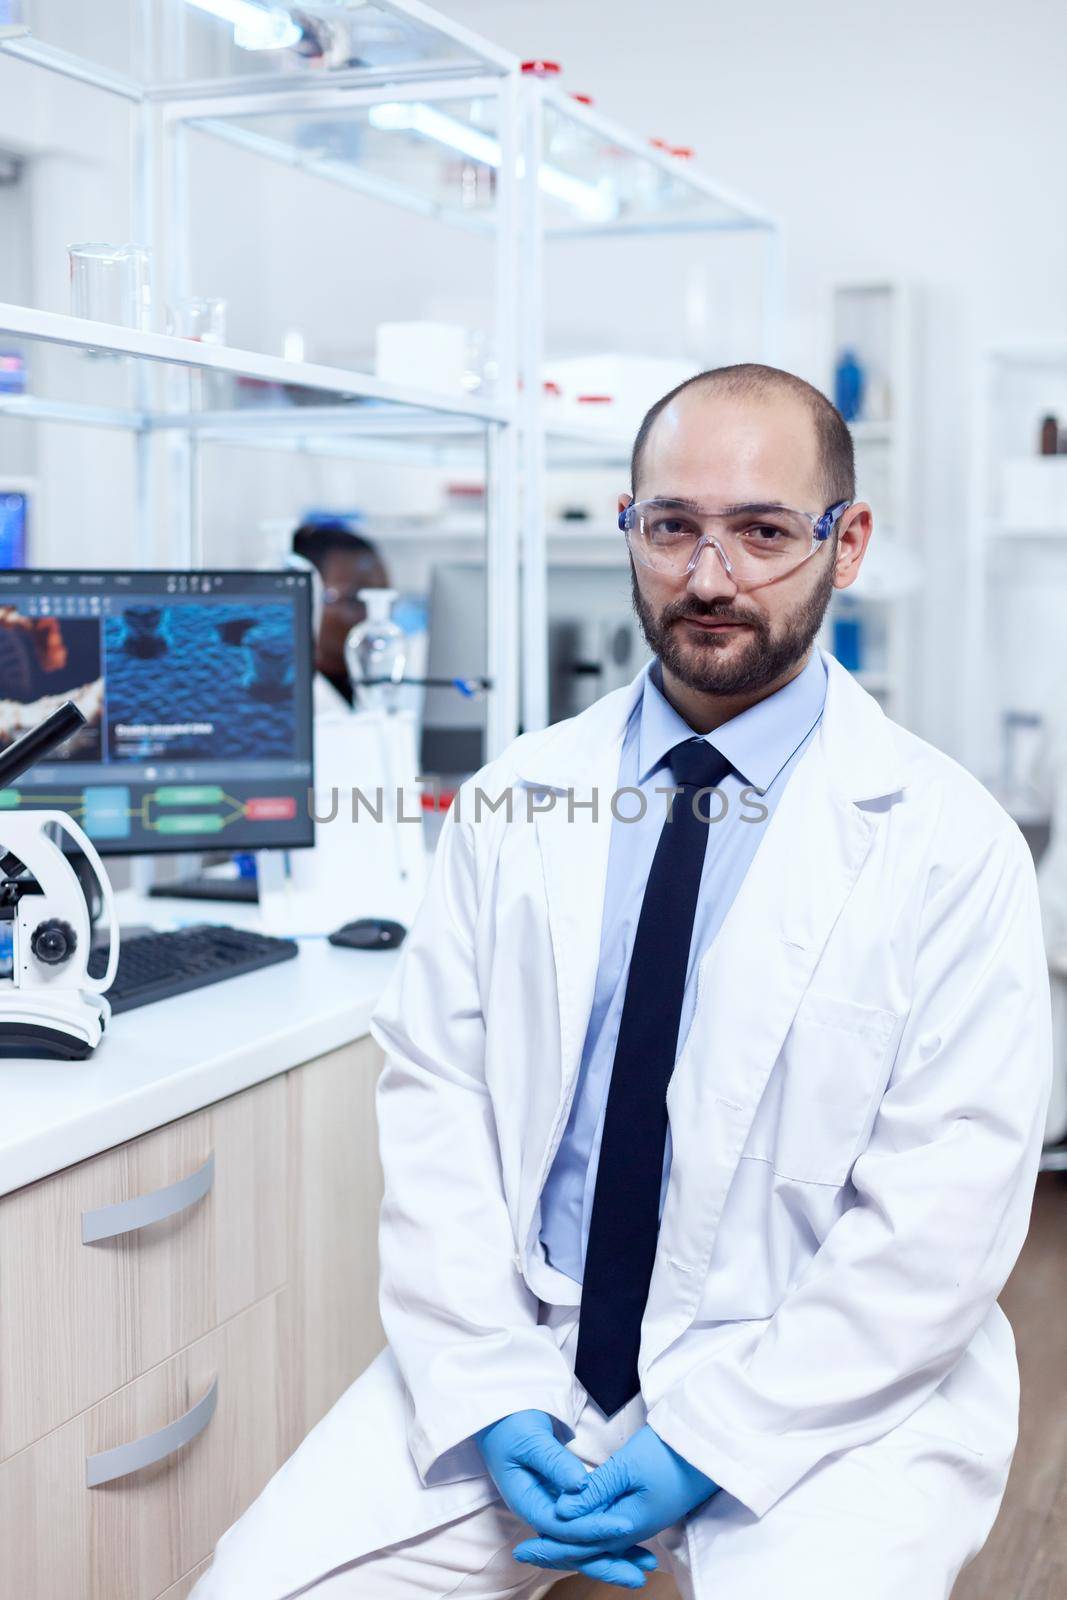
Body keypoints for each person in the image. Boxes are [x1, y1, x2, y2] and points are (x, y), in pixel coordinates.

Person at [192, 365, 1052, 1600]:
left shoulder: (944, 842)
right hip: (533, 1353)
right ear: (628, 529)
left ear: (844, 541)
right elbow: (439, 1110)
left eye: (761, 531)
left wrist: (711, 1437)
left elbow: (942, 1215)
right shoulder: (514, 802)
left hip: (821, 1382)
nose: (708, 578)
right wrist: (487, 1389)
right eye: (672, 528)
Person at [291, 520, 391, 712]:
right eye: (356, 598)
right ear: (306, 599)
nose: (376, 616)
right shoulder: (286, 697)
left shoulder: (394, 676)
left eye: (384, 598)